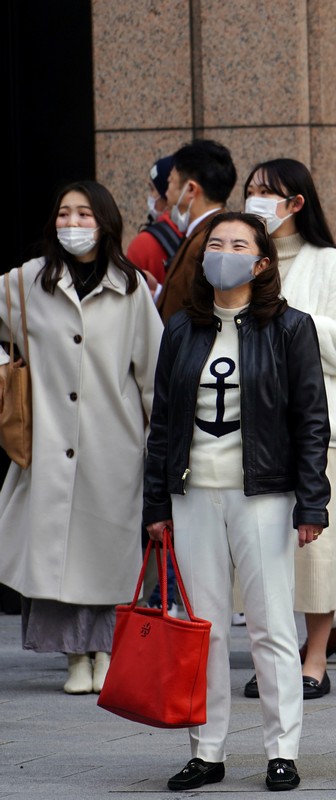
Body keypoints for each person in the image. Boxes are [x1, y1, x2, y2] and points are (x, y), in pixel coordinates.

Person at [143, 212, 330, 792]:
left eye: (238, 245)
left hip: (264, 495)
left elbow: (311, 420)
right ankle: (207, 751)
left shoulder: (291, 328)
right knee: (203, 627)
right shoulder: (180, 329)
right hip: (194, 493)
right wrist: (155, 505)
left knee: (272, 625)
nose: (224, 252)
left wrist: (312, 505)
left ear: (262, 262)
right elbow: (164, 423)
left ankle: (283, 751)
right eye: (215, 244)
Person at [0, 181, 162, 694]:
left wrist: (160, 446)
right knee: (56, 555)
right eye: (64, 214)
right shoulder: (25, 283)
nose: (72, 224)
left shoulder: (132, 288)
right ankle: (74, 658)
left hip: (113, 446)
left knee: (110, 555)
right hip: (47, 444)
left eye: (84, 214)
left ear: (105, 222)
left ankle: (109, 653)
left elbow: (153, 375)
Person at [238, 158, 336, 702]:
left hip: (313, 431)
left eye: (267, 192)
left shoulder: (329, 263)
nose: (255, 200)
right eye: (249, 191)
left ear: (297, 203)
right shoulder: (241, 257)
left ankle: (314, 656)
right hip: (246, 430)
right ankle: (272, 653)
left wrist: (294, 319)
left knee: (312, 546)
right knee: (256, 546)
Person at [156, 139, 237, 320]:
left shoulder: (209, 240)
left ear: (191, 189)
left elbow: (204, 315)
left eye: (170, 182)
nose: (167, 194)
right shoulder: (204, 233)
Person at [126, 155, 182, 292]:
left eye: (152, 189)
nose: (150, 196)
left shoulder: (143, 244)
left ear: (167, 192)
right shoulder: (208, 231)